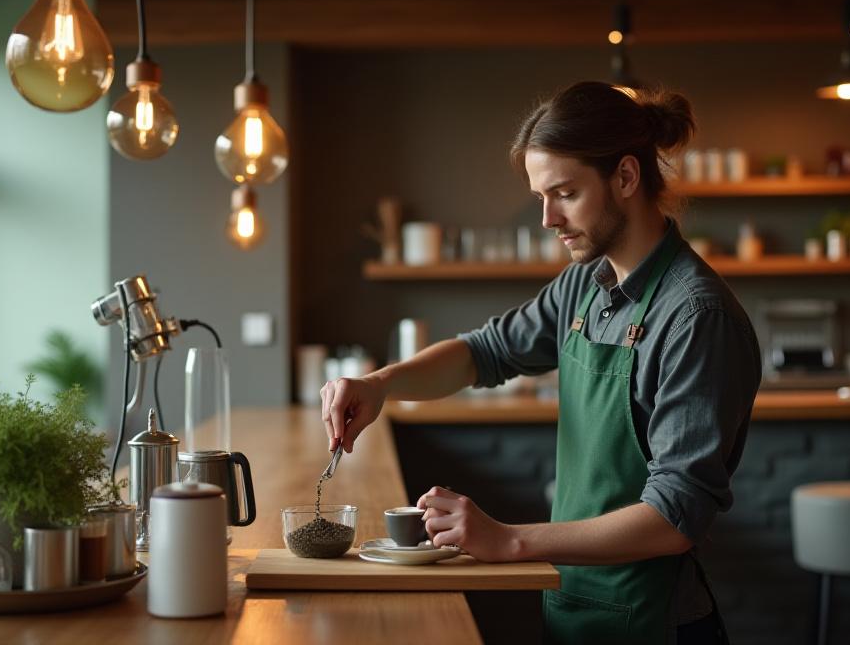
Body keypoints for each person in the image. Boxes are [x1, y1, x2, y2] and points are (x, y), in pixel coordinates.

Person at [320, 81, 760, 644]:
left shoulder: (697, 316)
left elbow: (673, 516)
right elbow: (485, 352)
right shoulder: (585, 284)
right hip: (576, 604)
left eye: (566, 193)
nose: (548, 218)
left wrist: (510, 540)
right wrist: (382, 383)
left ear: (626, 177)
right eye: (540, 197)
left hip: (654, 621)